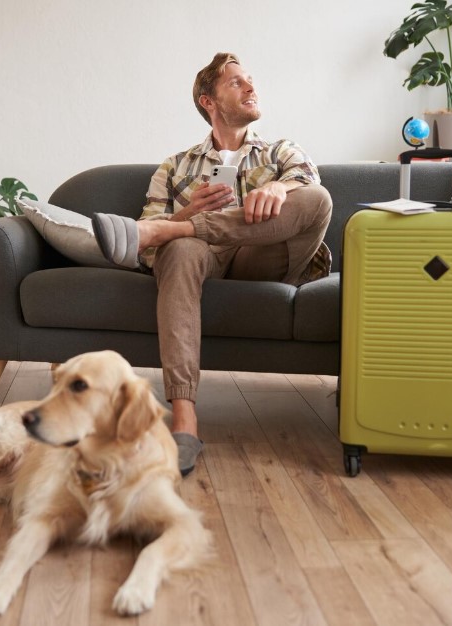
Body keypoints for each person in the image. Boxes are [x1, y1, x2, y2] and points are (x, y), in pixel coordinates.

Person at [92, 52, 332, 476]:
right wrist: (188, 215)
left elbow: (309, 193)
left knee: (317, 198)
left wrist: (279, 187)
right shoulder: (175, 166)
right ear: (209, 101)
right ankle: (184, 419)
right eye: (237, 83)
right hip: (208, 259)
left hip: (269, 256)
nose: (251, 87)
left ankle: (181, 230)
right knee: (179, 248)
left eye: (251, 80)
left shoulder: (282, 150)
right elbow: (145, 248)